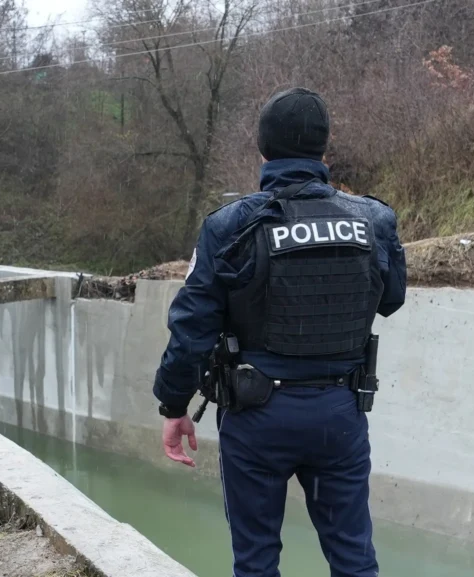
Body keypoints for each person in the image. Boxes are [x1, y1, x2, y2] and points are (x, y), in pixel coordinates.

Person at [153, 87, 407, 577]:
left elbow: (191, 330)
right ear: (324, 151)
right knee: (355, 561)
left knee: (256, 562)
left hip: (256, 418)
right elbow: (391, 299)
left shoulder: (228, 227)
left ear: (262, 150)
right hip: (341, 413)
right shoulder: (374, 220)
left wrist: (173, 405)